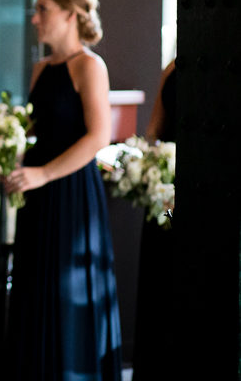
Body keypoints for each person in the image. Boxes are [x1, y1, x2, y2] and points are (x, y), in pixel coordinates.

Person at [3, 0, 122, 380]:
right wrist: (12, 161)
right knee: (35, 287)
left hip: (70, 191)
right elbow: (32, 131)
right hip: (37, 192)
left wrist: (42, 174)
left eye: (43, 10)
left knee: (65, 288)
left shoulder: (90, 66)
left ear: (71, 15)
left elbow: (98, 137)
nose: (35, 19)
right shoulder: (41, 68)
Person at [132, 58, 176, 381]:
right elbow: (153, 132)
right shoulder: (173, 67)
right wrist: (155, 172)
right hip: (167, 196)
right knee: (162, 293)